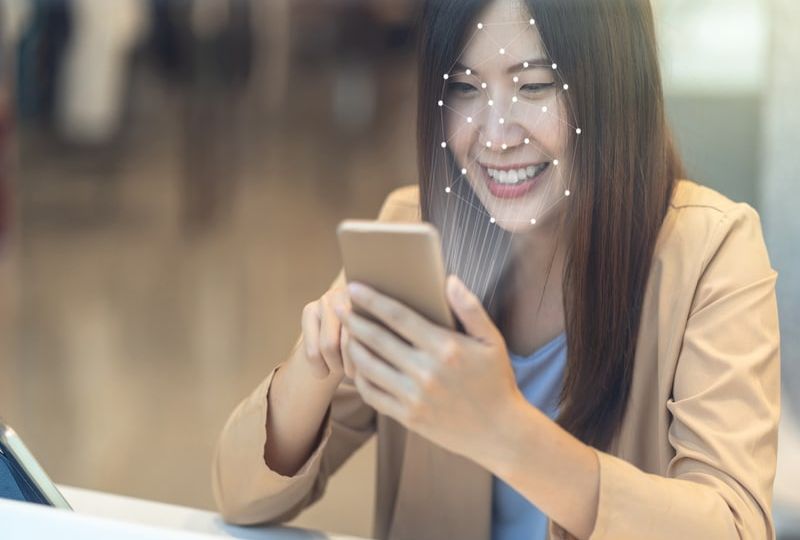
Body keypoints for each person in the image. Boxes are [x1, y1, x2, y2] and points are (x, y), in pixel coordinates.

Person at [212, 0, 780, 538]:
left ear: (615, 88)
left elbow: (732, 527)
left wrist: (506, 432)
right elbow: (241, 499)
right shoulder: (416, 231)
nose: (495, 134)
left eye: (533, 86)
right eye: (463, 89)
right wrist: (312, 371)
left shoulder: (712, 252)